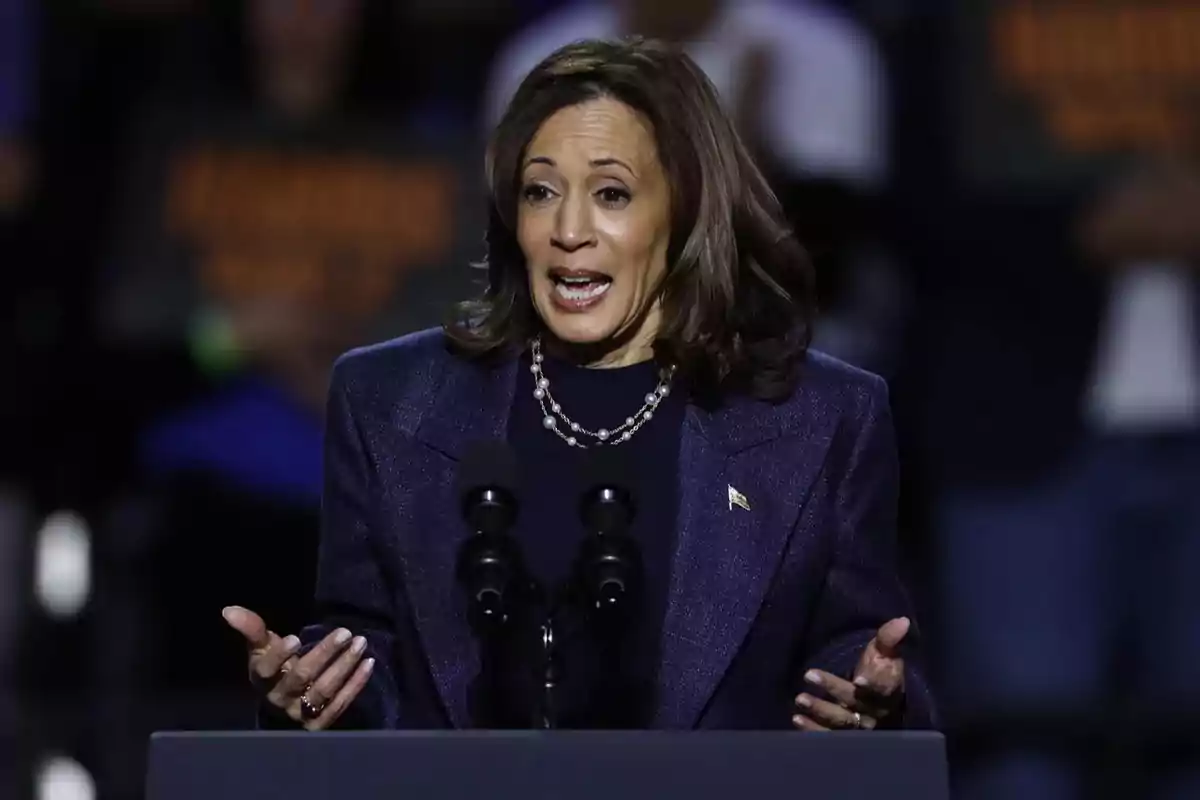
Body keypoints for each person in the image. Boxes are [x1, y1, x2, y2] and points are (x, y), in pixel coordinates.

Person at [222, 37, 936, 732]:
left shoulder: (821, 416)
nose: (569, 229)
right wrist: (317, 695)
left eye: (611, 193)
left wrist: (869, 703)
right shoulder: (389, 399)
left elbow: (858, 653)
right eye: (541, 191)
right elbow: (367, 655)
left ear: (684, 211)